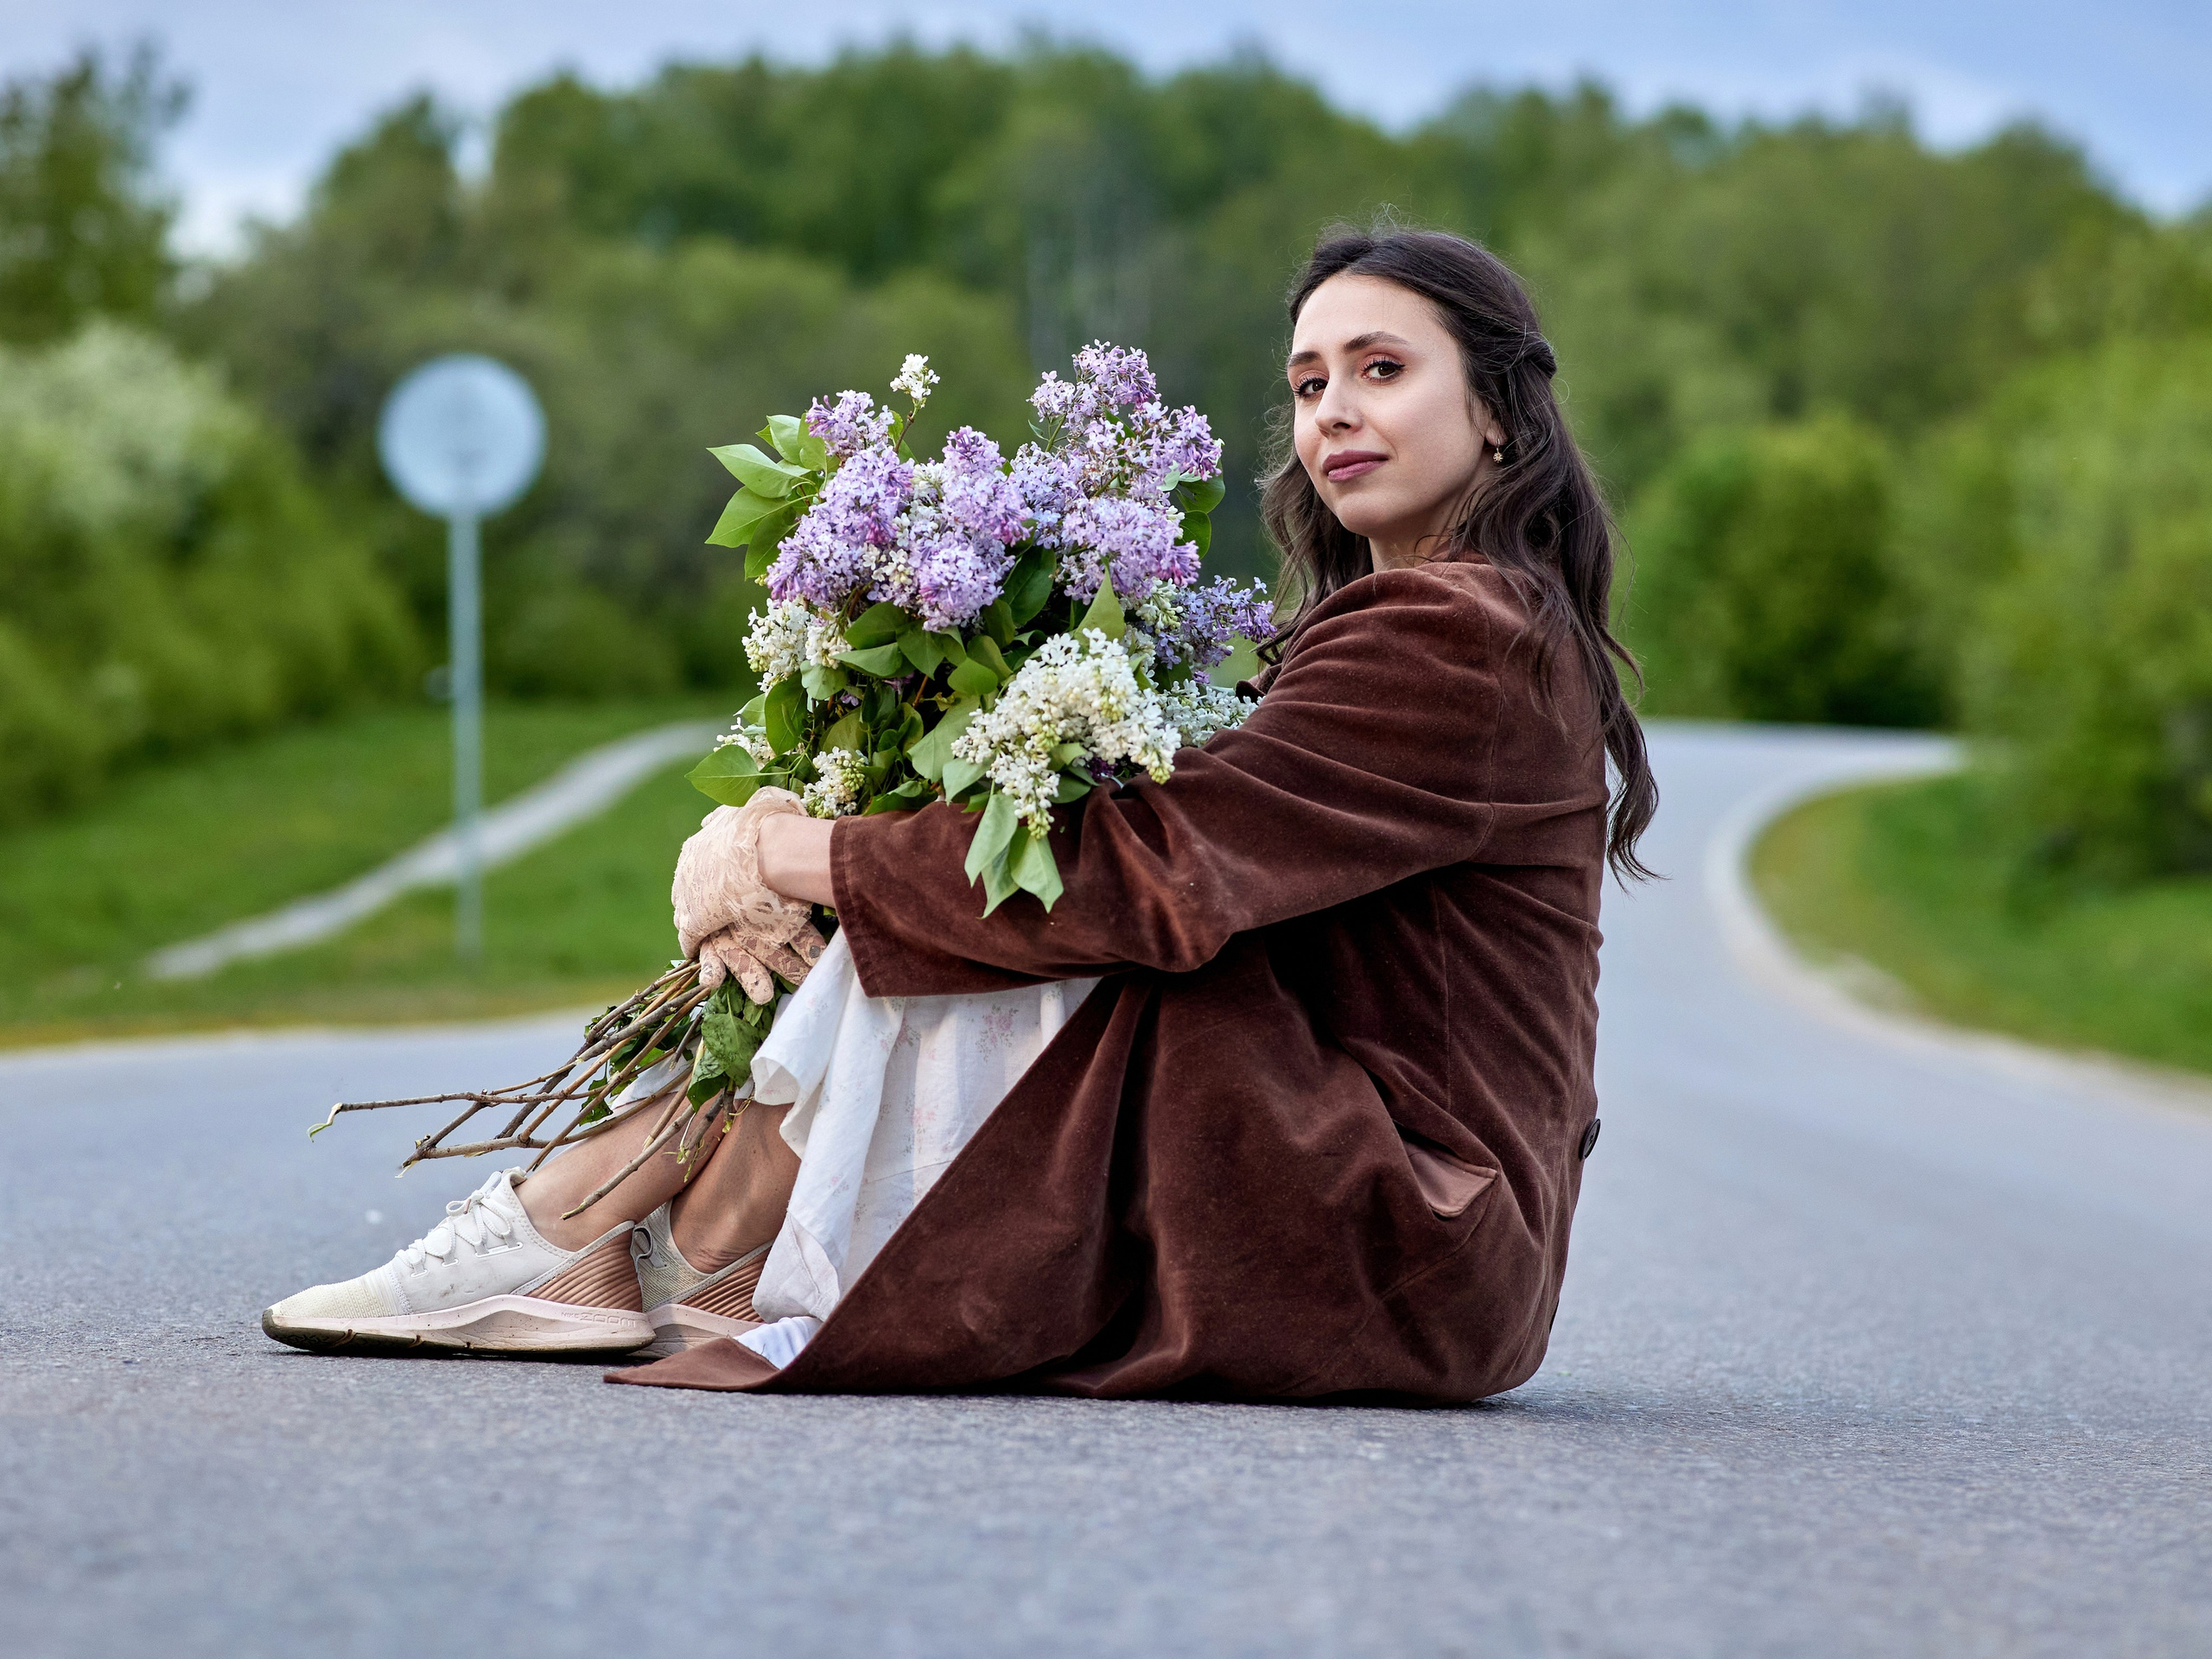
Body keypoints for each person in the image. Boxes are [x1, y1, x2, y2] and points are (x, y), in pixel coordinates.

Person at [262, 225, 1656, 1403]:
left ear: (1498, 413)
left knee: (1006, 907)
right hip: (1408, 1224)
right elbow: (1199, 853)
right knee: (964, 890)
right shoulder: (1441, 620)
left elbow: (1160, 871)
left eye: (1382, 370)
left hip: (1408, 1230)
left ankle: (592, 1230)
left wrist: (784, 852)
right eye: (1306, 383)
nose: (1332, 412)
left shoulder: (1457, 633)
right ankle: (644, 1240)